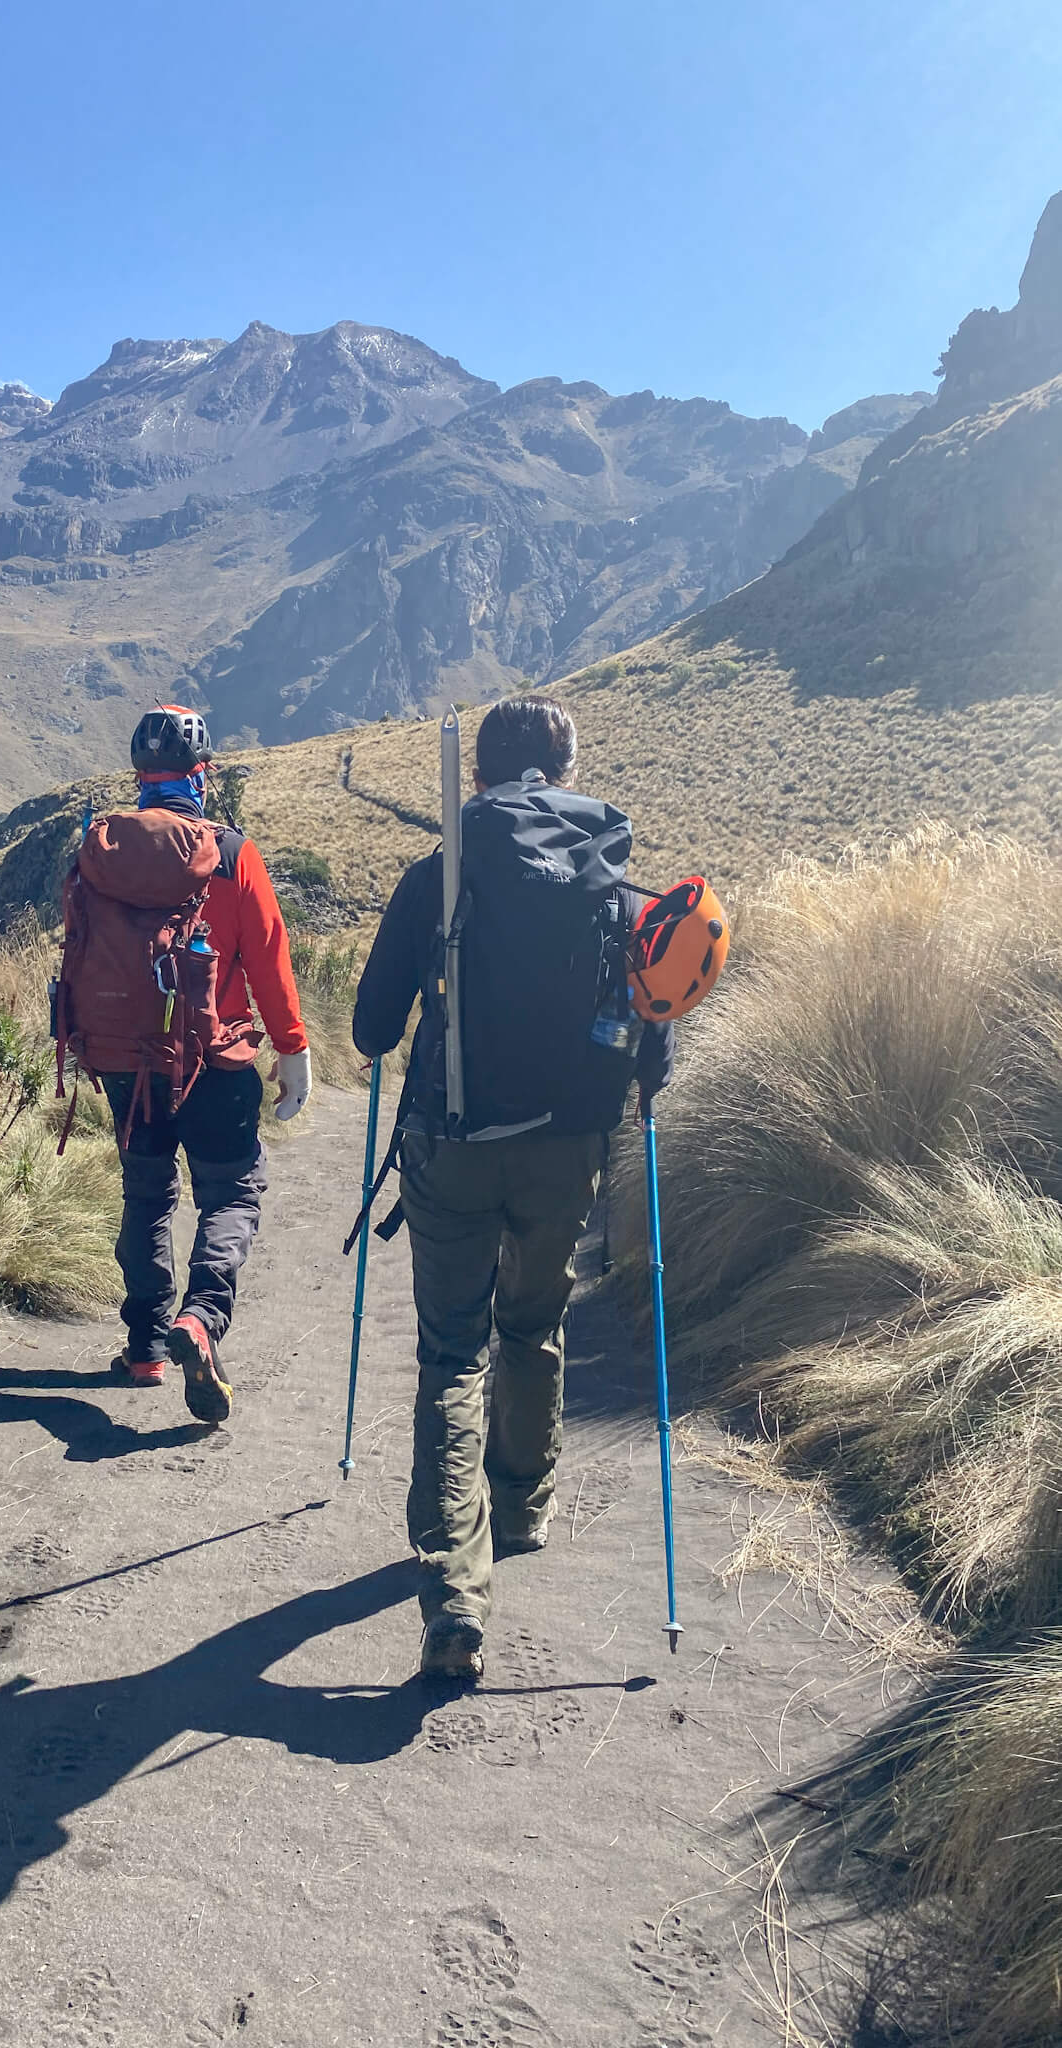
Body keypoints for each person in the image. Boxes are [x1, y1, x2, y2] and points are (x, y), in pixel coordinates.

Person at [350, 697, 674, 1681]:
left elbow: (367, 1029)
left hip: (450, 1144)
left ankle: (453, 1588)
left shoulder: (436, 875)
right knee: (531, 1323)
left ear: (477, 774)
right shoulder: (616, 889)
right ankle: (521, 1506)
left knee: (453, 1352)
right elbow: (650, 1050)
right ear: (567, 769)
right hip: (565, 1148)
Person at [61, 705, 310, 1425]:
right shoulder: (232, 854)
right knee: (231, 1193)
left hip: (122, 1059)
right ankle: (201, 1319)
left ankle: (143, 1348)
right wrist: (292, 1050)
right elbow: (269, 962)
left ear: (141, 778)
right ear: (202, 776)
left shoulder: (96, 846)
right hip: (212, 1057)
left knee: (147, 1193)